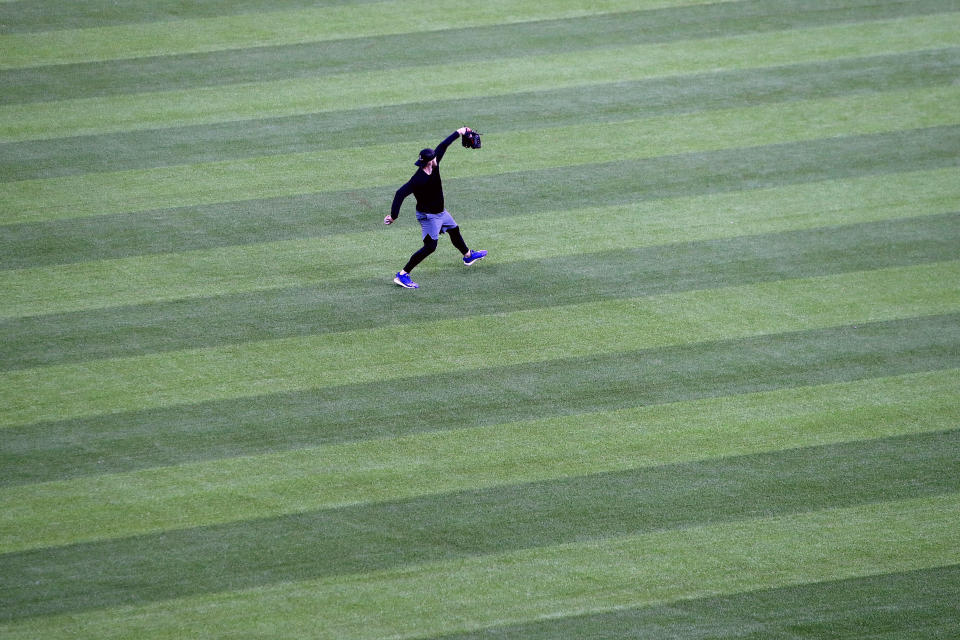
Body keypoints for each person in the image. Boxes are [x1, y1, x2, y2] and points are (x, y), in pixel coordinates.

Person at [384, 126, 487, 289]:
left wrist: (460, 131)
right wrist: (393, 216)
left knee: (454, 230)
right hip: (429, 216)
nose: (436, 158)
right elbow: (400, 193)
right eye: (433, 158)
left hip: (441, 212)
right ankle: (402, 274)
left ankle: (468, 256)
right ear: (429, 161)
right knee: (430, 247)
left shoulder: (434, 163)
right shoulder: (418, 179)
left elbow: (443, 145)